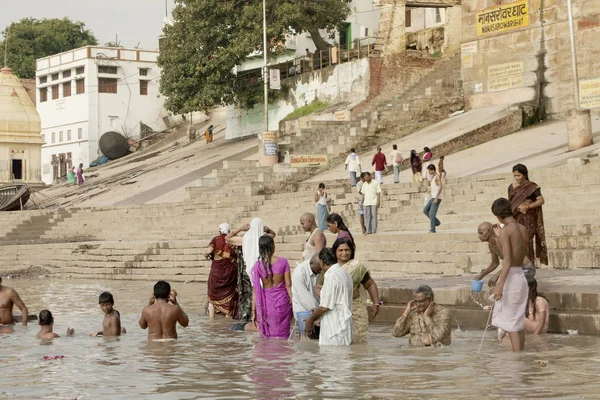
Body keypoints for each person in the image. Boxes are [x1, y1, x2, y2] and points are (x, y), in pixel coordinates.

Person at [318, 238, 380, 343]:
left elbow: (370, 284)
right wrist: (327, 297)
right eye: (340, 250)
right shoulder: (328, 268)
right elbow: (319, 286)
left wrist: (376, 303)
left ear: (351, 251)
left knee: (358, 340)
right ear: (335, 252)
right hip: (335, 308)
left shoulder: (358, 267)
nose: (344, 253)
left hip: (355, 308)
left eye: (347, 250)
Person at [490, 198, 529, 352]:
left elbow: (507, 260)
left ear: (498, 216)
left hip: (511, 278)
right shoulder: (522, 228)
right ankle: (521, 358)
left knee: (512, 324)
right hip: (521, 275)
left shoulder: (506, 230)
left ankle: (517, 360)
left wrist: (499, 285)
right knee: (518, 322)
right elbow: (519, 253)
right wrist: (500, 236)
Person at [226, 218, 276, 323]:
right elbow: (273, 234)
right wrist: (267, 229)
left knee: (248, 295)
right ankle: (263, 316)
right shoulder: (265, 239)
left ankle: (249, 318)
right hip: (263, 269)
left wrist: (240, 228)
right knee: (262, 292)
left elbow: (227, 238)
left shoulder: (244, 239)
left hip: (247, 272)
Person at [305, 248, 353, 345]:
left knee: (331, 357)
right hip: (344, 326)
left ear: (322, 262)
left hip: (334, 329)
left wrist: (310, 320)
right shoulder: (344, 273)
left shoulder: (331, 275)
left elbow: (325, 307)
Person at [251, 235, 292, 339]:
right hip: (283, 301)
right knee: (284, 334)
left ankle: (270, 353)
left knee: (268, 334)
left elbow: (255, 291)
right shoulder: (283, 262)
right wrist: (293, 301)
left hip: (267, 303)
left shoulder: (257, 266)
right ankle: (282, 353)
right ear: (273, 247)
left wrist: (253, 312)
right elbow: (288, 285)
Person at [508, 164, 548, 266]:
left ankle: (530, 266)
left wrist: (528, 206)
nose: (517, 178)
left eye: (519, 175)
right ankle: (518, 264)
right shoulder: (511, 187)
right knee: (516, 241)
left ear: (524, 175)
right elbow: (511, 203)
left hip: (528, 219)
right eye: (515, 176)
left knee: (527, 242)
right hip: (515, 218)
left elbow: (541, 200)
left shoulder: (532, 187)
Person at [475, 221, 535, 286]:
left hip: (525, 268)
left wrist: (497, 275)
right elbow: (495, 263)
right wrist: (482, 274)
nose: (479, 236)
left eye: (481, 233)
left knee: (506, 286)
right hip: (514, 268)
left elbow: (512, 261)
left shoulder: (501, 240)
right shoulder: (491, 245)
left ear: (489, 231)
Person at [205, 223, 238, 319]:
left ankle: (211, 320)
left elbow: (208, 251)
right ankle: (228, 318)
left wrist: (205, 255)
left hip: (217, 272)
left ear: (220, 231)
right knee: (230, 296)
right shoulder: (232, 240)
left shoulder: (216, 240)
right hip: (230, 273)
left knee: (212, 298)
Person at [423, 164, 442, 233]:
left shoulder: (437, 177)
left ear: (433, 170)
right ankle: (436, 222)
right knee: (425, 210)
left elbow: (440, 187)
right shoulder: (433, 177)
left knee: (431, 214)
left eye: (429, 171)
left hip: (436, 198)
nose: (429, 172)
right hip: (432, 197)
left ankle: (432, 230)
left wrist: (436, 197)